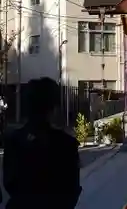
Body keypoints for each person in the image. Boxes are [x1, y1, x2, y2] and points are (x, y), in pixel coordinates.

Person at [3, 77, 82, 209]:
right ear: (54, 108)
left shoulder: (14, 140)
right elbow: (72, 190)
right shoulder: (67, 144)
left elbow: (9, 183)